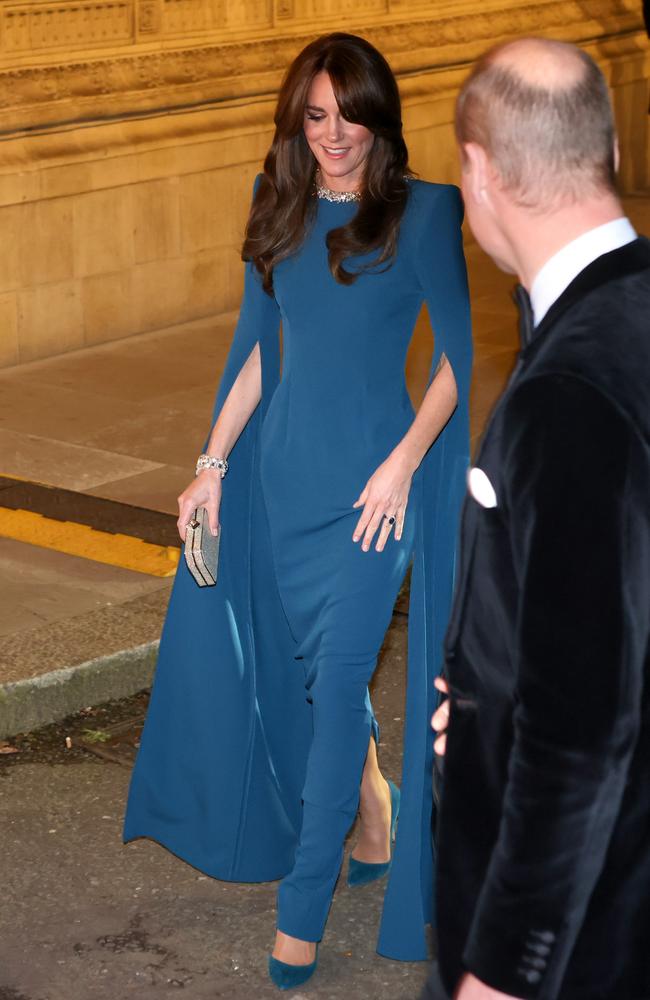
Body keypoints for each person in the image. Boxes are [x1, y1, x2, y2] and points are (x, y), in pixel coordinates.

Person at [123, 32, 472, 989]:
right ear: (297, 122)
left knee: (339, 679)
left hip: (371, 499)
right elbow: (255, 345)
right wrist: (211, 464)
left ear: (379, 118)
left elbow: (455, 359)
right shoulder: (274, 205)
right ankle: (372, 812)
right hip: (282, 483)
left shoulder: (424, 213)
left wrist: (405, 464)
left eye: (351, 115)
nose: (335, 135)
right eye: (316, 116)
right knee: (325, 688)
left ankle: (300, 914)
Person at [422, 37, 650, 1000]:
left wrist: (504, 974)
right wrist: (482, 707)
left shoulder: (567, 392)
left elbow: (581, 727)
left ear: (478, 171)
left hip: (578, 944)